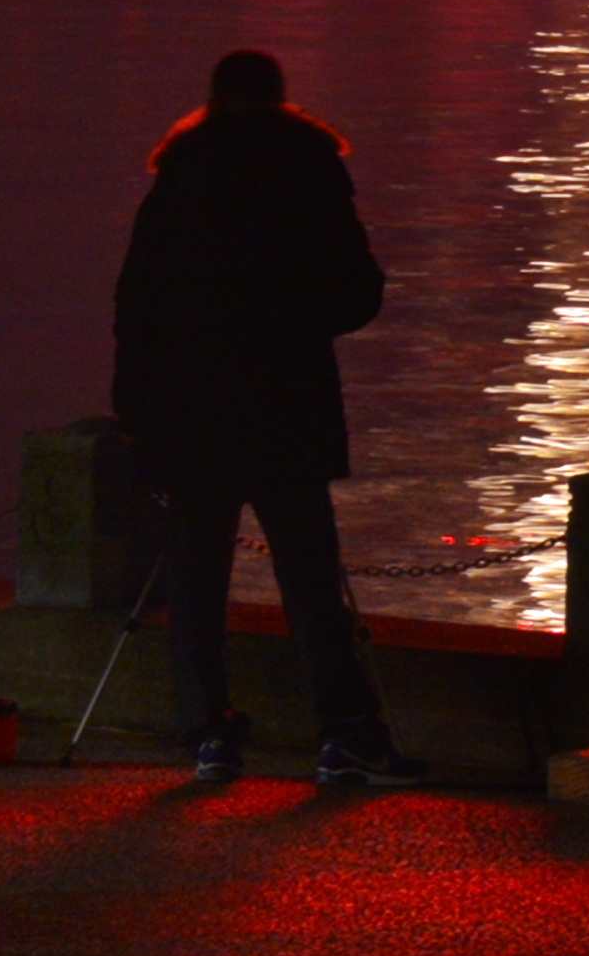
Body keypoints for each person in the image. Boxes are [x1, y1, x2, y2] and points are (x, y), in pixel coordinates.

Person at [110, 48, 403, 788]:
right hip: (287, 405)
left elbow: (136, 304)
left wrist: (137, 410)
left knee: (197, 579)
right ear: (280, 99)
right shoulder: (311, 169)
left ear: (211, 101)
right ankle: (344, 733)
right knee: (309, 579)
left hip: (194, 411)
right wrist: (299, 323)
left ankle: (209, 735)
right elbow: (360, 289)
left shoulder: (178, 175)